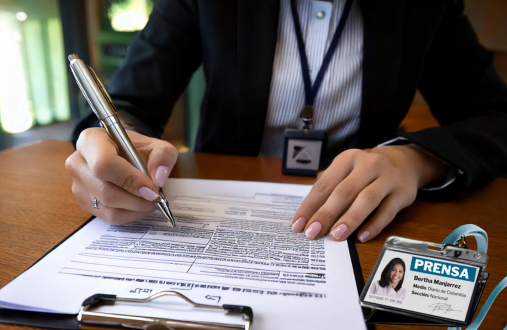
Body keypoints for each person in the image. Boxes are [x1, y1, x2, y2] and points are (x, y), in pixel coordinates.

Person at [66, 0, 507, 243]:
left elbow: (494, 116)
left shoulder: (428, 4)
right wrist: (113, 146)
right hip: (219, 206)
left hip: (358, 227)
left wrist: (415, 161)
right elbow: (125, 102)